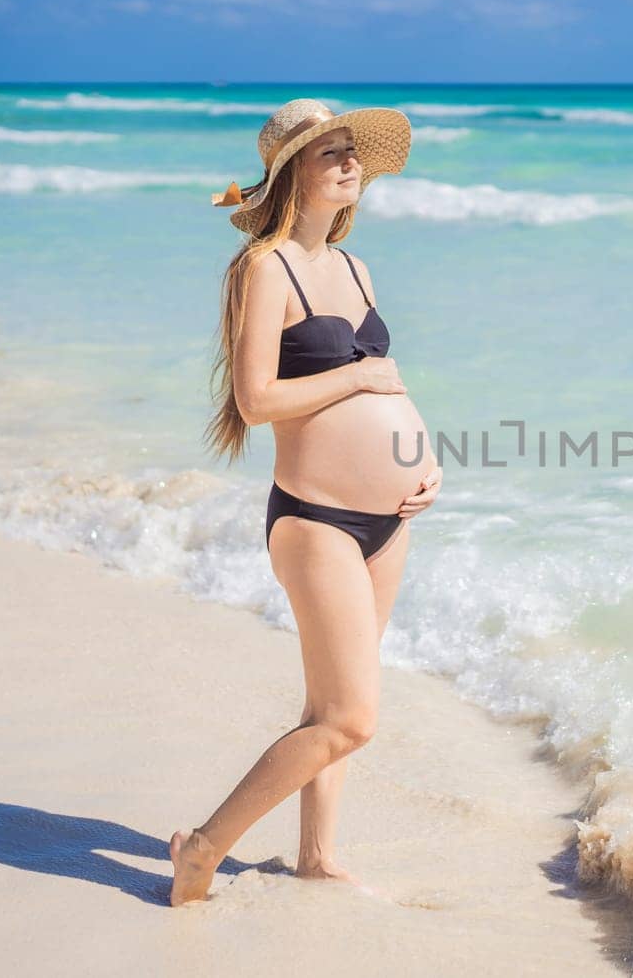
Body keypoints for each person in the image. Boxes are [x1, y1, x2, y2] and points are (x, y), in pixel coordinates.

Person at [169, 98, 442, 906]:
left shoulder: (358, 269)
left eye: (354, 151)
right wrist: (358, 378)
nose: (350, 163)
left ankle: (317, 855)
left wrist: (424, 470)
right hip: (315, 517)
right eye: (330, 152)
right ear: (294, 172)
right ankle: (203, 847)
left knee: (329, 700)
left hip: (388, 522)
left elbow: (388, 388)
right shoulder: (267, 266)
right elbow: (256, 399)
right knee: (353, 717)